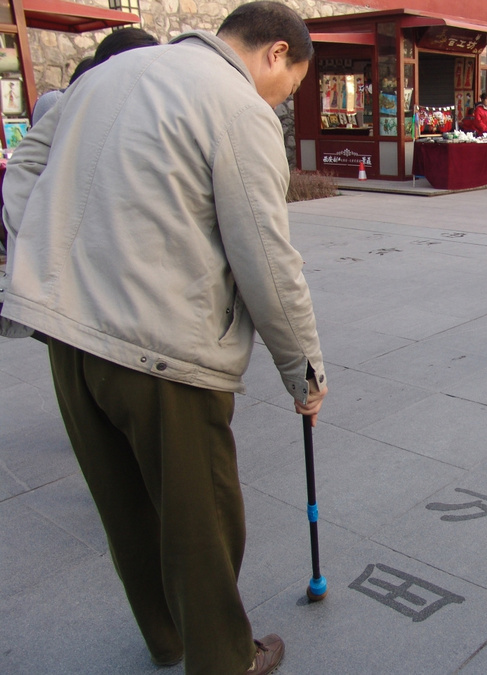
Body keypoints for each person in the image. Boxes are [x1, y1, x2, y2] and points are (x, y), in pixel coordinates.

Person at [1, 3, 327, 673]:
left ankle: (167, 635)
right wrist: (305, 371)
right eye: (290, 83)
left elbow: (24, 171)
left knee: (127, 511)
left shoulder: (103, 77)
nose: (283, 97)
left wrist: (46, 257)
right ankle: (223, 657)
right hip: (164, 351)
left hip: (70, 341)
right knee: (203, 522)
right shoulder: (237, 107)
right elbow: (266, 257)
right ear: (275, 53)